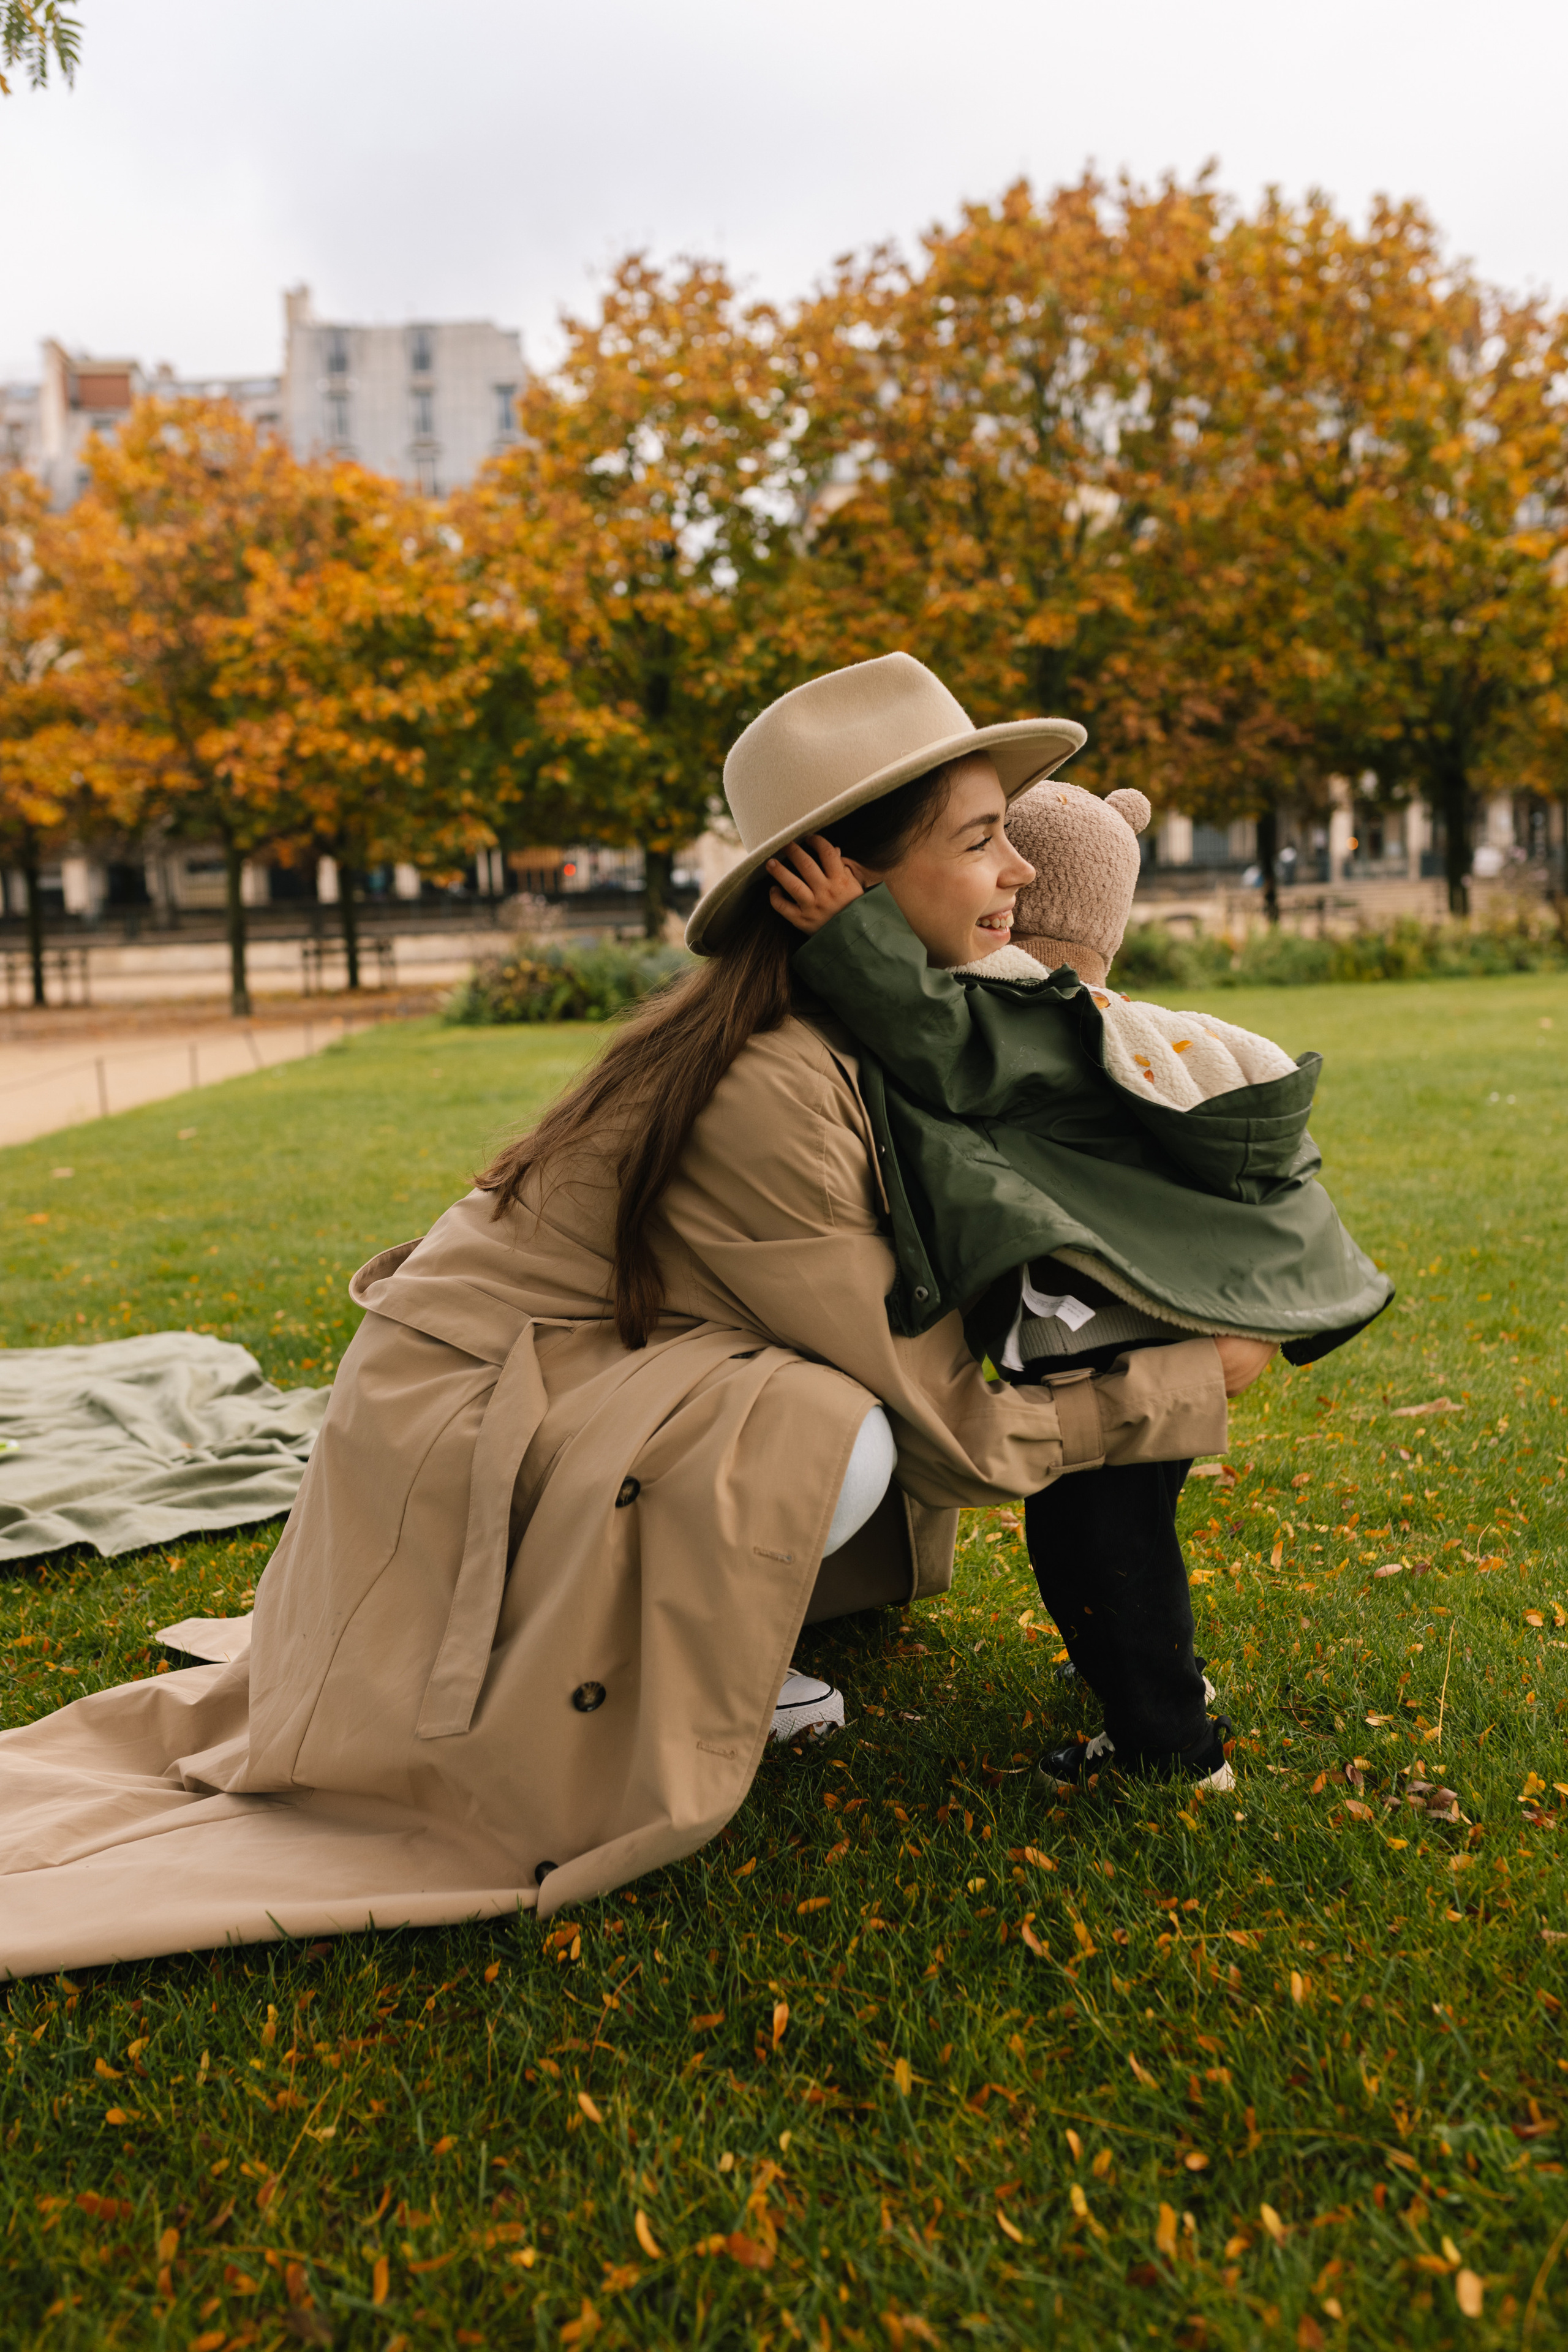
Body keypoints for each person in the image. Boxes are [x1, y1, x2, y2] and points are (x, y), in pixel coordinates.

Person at [0, 651, 1264, 1980]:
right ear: (839, 882)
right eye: (979, 838)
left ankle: (711, 1634)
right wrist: (1189, 1378)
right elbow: (933, 1406)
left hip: (575, 1377)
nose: (1017, 870)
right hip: (465, 1424)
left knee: (815, 1407)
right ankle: (665, 1665)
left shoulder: (866, 1025)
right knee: (835, 1431)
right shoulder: (771, 1081)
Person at [761, 751, 1390, 1790]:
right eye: (980, 844)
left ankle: (1166, 1747)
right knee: (1126, 1538)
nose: (1002, 871)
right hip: (1140, 1330)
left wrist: (850, 935)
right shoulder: (1121, 1029)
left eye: (1007, 851)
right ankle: (1157, 1683)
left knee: (1100, 1544)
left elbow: (944, 1041)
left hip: (1109, 1348)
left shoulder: (1037, 1017)